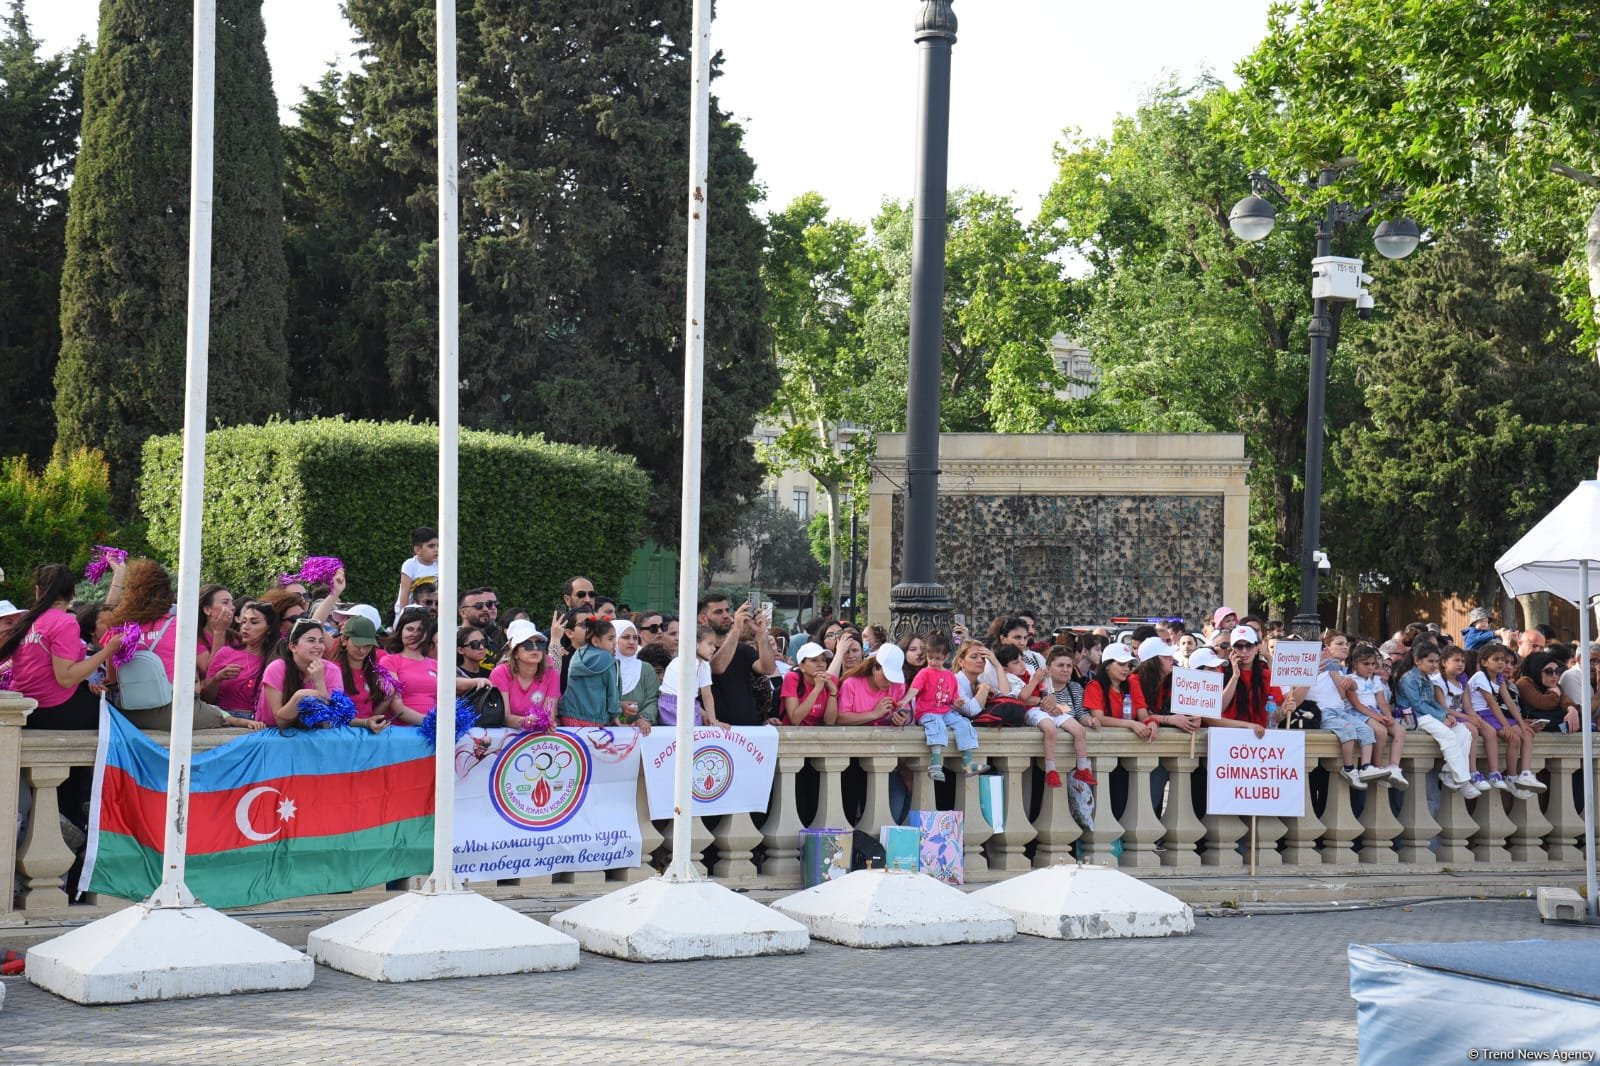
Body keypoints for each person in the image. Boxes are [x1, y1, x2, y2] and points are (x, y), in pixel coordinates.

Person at [0, 564, 123, 729]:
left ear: (38, 591)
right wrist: (109, 650)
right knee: (120, 721)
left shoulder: (26, 621)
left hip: (28, 704)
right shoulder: (65, 622)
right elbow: (66, 678)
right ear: (73, 592)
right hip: (51, 708)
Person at [900, 632, 986, 782]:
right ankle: (935, 764)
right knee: (937, 725)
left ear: (945, 657)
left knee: (964, 724)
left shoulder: (949, 675)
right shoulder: (924, 673)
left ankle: (968, 761)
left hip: (945, 710)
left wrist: (957, 702)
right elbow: (915, 689)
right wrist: (904, 700)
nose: (933, 662)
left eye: (937, 659)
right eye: (930, 658)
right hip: (927, 711)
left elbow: (952, 696)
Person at [1463, 643, 1539, 798]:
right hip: (1481, 714)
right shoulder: (1480, 676)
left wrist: (1521, 722)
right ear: (1484, 662)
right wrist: (1506, 726)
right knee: (1514, 738)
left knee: (1527, 734)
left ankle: (1524, 774)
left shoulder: (1499, 678)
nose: (1501, 663)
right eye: (1496, 659)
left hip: (1492, 713)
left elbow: (1509, 702)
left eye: (1503, 660)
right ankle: (1503, 776)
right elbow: (1491, 703)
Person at [701, 593, 776, 727]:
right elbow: (717, 668)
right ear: (703, 619)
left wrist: (761, 634)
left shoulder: (743, 650)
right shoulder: (697, 652)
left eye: (727, 610)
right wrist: (736, 630)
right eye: (718, 612)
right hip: (712, 730)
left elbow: (768, 668)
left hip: (746, 730)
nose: (726, 615)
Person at [200, 600, 278, 718]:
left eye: (254, 622)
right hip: (223, 718)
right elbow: (205, 699)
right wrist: (217, 678)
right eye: (244, 621)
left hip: (258, 722)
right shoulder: (225, 653)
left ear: (270, 629)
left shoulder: (275, 661)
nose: (245, 627)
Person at [330, 616, 410, 726]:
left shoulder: (375, 672)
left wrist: (387, 698)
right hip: (341, 735)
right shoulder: (333, 670)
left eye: (368, 645)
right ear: (344, 640)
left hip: (366, 736)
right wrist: (365, 723)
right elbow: (333, 715)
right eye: (358, 644)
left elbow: (372, 715)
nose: (362, 650)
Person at [1348, 644, 1407, 789]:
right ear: (1355, 664)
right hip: (1358, 713)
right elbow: (1356, 705)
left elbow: (1382, 702)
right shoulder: (1350, 680)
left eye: (1373, 664)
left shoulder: (1375, 680)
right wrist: (1377, 717)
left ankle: (1394, 767)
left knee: (1400, 731)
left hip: (1376, 712)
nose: (1370, 667)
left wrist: (1387, 715)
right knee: (1381, 731)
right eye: (1365, 664)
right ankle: (1377, 766)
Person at [490, 619, 561, 732]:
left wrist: (547, 723)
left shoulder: (552, 674)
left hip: (537, 736)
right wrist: (524, 721)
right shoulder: (500, 673)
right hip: (506, 738)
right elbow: (503, 716)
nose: (535, 648)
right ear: (515, 652)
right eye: (527, 644)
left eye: (540, 643)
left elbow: (549, 714)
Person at [561, 618, 633, 729]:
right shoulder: (609, 660)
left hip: (568, 717)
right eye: (610, 639)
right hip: (594, 721)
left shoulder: (578, 654)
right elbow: (612, 694)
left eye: (615, 637)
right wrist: (616, 718)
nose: (615, 642)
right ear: (595, 641)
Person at [1083, 643, 1158, 740]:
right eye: (1121, 664)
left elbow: (1143, 715)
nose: (1126, 669)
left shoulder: (1133, 684)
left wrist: (1151, 722)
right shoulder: (1094, 686)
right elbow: (1099, 719)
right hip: (1106, 744)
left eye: (1129, 665)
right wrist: (1131, 724)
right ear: (1107, 666)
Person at [379, 606, 442, 718]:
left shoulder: (435, 664)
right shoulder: (389, 661)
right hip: (404, 731)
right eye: (410, 629)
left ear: (427, 634)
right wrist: (431, 724)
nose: (415, 634)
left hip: (435, 730)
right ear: (400, 631)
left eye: (420, 630)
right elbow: (396, 707)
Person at [832, 643, 911, 726]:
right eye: (885, 677)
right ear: (874, 669)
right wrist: (874, 714)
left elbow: (907, 714)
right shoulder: (851, 684)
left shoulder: (898, 685)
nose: (889, 683)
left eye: (893, 679)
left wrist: (901, 720)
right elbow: (841, 719)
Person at [660, 624, 719, 726]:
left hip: (664, 706)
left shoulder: (679, 661)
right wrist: (713, 722)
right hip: (682, 708)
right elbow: (707, 695)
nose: (714, 648)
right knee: (693, 740)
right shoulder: (700, 665)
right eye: (710, 644)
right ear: (695, 644)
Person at [1220, 626, 1276, 729]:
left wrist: (1284, 711)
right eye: (1239, 646)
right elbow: (1219, 709)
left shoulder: (1266, 675)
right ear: (1232, 650)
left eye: (1249, 646)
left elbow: (1275, 714)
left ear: (1256, 649)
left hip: (1259, 738)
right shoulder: (1221, 671)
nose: (1244, 651)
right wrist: (1235, 676)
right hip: (1228, 737)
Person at [613, 619, 659, 726]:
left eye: (635, 638)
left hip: (640, 732)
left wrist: (644, 719)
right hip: (608, 731)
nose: (632, 642)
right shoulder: (604, 668)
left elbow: (653, 700)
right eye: (625, 637)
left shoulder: (645, 668)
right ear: (613, 639)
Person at [778, 641, 836, 725]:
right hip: (793, 735)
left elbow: (830, 722)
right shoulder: (792, 678)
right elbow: (795, 720)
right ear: (802, 666)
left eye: (823, 660)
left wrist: (833, 692)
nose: (821, 664)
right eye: (814, 660)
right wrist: (816, 690)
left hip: (820, 735)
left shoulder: (831, 680)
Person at [393, 526, 439, 623]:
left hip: (431, 611)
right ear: (418, 550)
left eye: (437, 545)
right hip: (411, 610)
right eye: (431, 546)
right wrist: (404, 613)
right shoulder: (410, 565)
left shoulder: (441, 565)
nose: (436, 549)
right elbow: (404, 592)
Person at [457, 588, 505, 667]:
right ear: (463, 612)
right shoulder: (451, 640)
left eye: (486, 605)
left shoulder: (493, 640)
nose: (486, 609)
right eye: (478, 606)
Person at [195, 584, 235, 677]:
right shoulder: (195, 639)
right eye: (225, 603)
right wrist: (219, 632)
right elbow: (210, 671)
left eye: (232, 603)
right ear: (207, 610)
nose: (232, 607)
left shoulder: (235, 637)